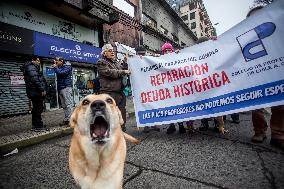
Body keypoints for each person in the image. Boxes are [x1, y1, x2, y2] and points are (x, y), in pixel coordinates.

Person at [247, 1, 284, 150]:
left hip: (276, 69)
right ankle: (259, 131)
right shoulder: (246, 36)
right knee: (257, 105)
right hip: (255, 73)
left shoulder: (277, 30)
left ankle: (278, 134)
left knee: (280, 103)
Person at [194, 36, 226, 134]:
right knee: (203, 104)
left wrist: (218, 41)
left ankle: (219, 125)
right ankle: (204, 123)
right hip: (202, 84)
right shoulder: (194, 55)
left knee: (217, 104)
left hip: (214, 82)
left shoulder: (215, 51)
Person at [97, 44, 130, 132]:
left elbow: (122, 69)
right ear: (104, 53)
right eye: (109, 50)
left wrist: (125, 62)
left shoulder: (115, 62)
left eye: (112, 50)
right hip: (109, 92)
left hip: (120, 92)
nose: (112, 52)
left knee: (122, 111)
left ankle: (121, 128)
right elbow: (110, 72)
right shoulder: (101, 62)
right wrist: (123, 71)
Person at [161, 42, 187, 134]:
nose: (168, 52)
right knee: (169, 107)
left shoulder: (177, 58)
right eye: (166, 51)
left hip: (177, 88)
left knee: (179, 107)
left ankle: (181, 125)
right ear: (163, 52)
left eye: (169, 50)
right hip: (167, 89)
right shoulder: (160, 60)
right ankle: (171, 125)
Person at [136, 45, 161, 133]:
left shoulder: (149, 59)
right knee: (144, 106)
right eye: (139, 54)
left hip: (151, 87)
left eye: (143, 53)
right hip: (141, 89)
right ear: (136, 54)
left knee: (153, 106)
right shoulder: (134, 61)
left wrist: (160, 57)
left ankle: (154, 124)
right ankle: (146, 125)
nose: (141, 55)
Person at [21, 56, 49, 132]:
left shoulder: (31, 67)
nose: (39, 62)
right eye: (37, 61)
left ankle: (36, 125)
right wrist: (42, 89)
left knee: (36, 109)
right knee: (38, 109)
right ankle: (38, 126)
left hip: (34, 91)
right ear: (33, 60)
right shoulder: (31, 67)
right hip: (35, 92)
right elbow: (35, 79)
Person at [52, 57, 73, 126]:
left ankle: (71, 120)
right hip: (61, 88)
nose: (56, 62)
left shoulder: (67, 66)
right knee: (64, 105)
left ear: (61, 61)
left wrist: (55, 68)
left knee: (68, 104)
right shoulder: (59, 67)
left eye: (57, 61)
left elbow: (62, 73)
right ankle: (67, 119)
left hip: (66, 87)